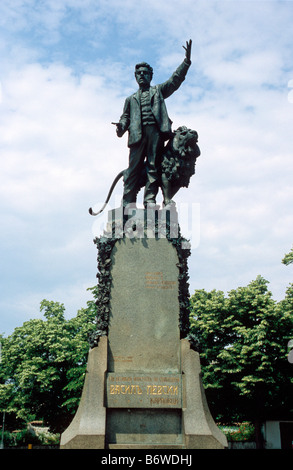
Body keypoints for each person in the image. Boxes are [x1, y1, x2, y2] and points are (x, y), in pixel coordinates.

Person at [114, 40, 192, 208]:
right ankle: (127, 203)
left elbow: (174, 82)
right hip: (137, 135)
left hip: (155, 133)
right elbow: (125, 117)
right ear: (135, 77)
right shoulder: (130, 99)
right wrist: (121, 126)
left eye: (145, 73)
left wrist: (186, 63)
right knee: (133, 169)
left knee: (153, 167)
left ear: (150, 76)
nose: (141, 75)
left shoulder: (158, 92)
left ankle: (149, 200)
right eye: (139, 73)